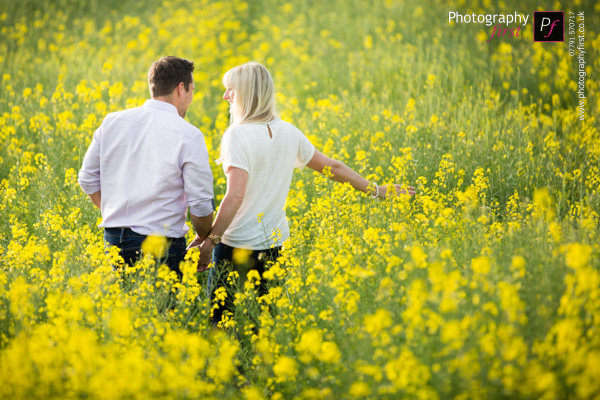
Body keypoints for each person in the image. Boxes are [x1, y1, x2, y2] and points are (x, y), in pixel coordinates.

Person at [188, 62, 415, 327]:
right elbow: (333, 167)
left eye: (231, 90)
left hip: (234, 244)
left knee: (220, 320)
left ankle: (223, 368)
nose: (226, 96)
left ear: (246, 93)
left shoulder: (237, 135)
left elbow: (236, 195)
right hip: (273, 244)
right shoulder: (288, 132)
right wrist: (377, 190)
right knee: (267, 322)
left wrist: (210, 240)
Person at [78, 56, 215, 277]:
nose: (191, 98)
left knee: (125, 309)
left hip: (114, 240)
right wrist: (204, 239)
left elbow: (87, 179)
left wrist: (119, 214)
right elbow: (200, 203)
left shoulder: (112, 122)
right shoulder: (189, 134)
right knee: (164, 310)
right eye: (192, 91)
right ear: (181, 89)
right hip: (162, 246)